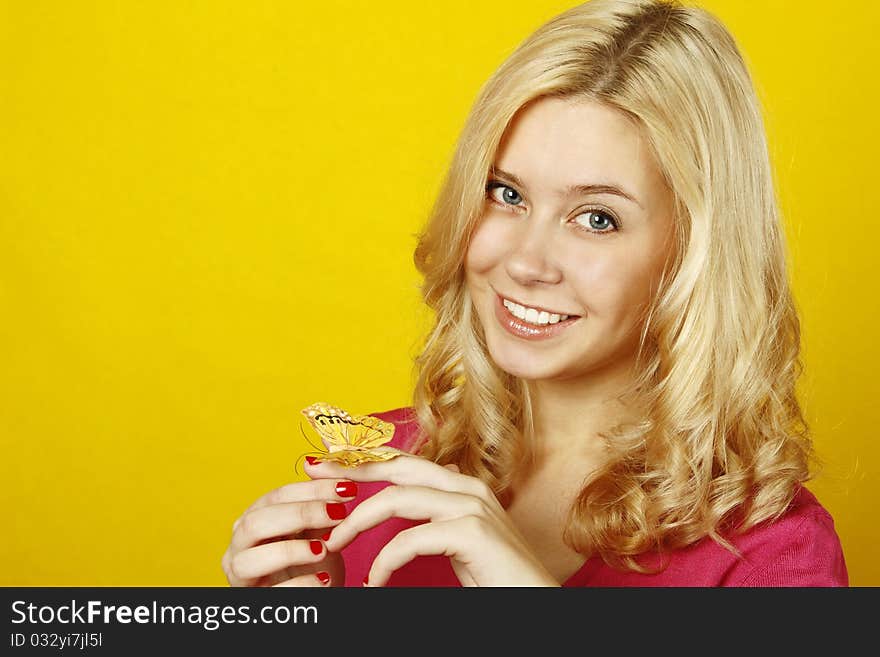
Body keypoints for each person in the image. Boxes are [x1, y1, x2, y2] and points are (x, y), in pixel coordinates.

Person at [221, 0, 848, 587]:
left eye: (596, 218)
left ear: (693, 254)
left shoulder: (776, 558)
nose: (525, 261)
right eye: (506, 194)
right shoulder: (369, 476)